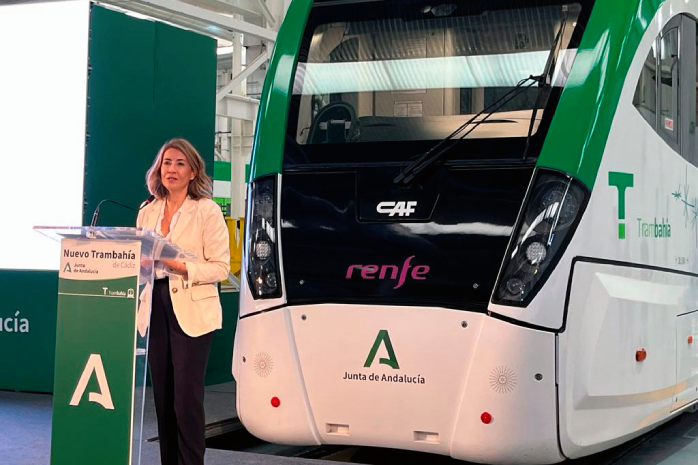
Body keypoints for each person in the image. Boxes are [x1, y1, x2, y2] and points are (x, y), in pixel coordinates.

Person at [137, 138, 230, 465]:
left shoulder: (207, 210)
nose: (171, 170)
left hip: (193, 309)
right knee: (162, 398)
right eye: (166, 163)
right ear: (158, 169)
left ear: (193, 171)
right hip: (155, 306)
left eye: (179, 164)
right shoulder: (146, 211)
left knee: (185, 400)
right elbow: (140, 261)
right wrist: (141, 265)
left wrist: (181, 266)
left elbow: (221, 267)